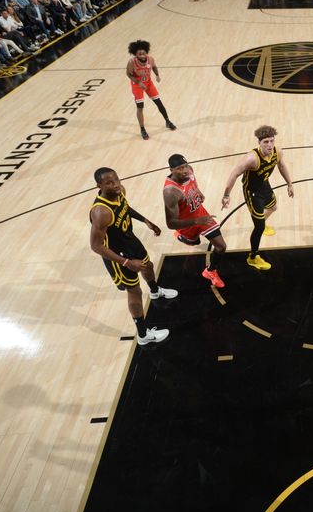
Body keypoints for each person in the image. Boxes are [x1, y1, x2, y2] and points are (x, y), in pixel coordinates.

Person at [89, 167, 177, 345]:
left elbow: (125, 208)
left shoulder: (120, 191)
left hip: (129, 241)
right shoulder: (101, 212)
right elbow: (95, 246)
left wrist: (146, 221)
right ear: (99, 186)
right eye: (108, 183)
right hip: (116, 255)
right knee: (134, 291)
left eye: (116, 179)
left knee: (148, 266)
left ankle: (155, 291)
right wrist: (127, 262)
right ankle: (143, 335)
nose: (115, 185)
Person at [221, 125, 294, 270]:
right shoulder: (251, 159)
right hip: (251, 192)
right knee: (259, 227)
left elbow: (282, 166)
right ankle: (253, 257)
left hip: (264, 185)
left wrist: (289, 184)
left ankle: (262, 220)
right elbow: (234, 174)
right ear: (259, 143)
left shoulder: (278, 152)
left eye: (271, 141)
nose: (269, 145)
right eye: (265, 142)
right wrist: (226, 195)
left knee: (273, 207)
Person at [163, 154, 227, 288]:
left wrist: (198, 192)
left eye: (185, 166)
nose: (185, 170)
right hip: (187, 224)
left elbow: (193, 182)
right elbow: (171, 223)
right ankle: (181, 236)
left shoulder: (189, 171)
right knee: (194, 242)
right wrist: (196, 221)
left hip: (200, 214)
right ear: (171, 170)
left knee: (221, 247)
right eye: (180, 168)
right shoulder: (170, 192)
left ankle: (210, 271)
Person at [126, 39, 176, 140]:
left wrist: (157, 75)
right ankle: (142, 129)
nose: (142, 55)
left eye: (143, 53)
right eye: (139, 54)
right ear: (135, 54)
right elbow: (128, 74)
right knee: (140, 107)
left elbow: (154, 67)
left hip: (148, 83)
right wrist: (138, 82)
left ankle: (167, 121)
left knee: (159, 103)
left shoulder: (150, 59)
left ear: (146, 52)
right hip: (137, 85)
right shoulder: (132, 62)